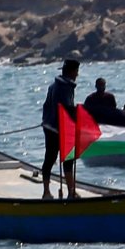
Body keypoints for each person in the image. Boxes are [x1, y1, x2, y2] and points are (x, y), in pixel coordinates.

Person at [40, 57, 81, 200]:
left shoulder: (53, 85)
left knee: (49, 158)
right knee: (68, 159)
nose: (77, 74)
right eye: (76, 71)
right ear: (71, 72)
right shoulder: (65, 87)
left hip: (49, 126)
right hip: (60, 128)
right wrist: (79, 113)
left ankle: (47, 192)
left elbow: (46, 106)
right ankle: (71, 192)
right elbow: (66, 109)